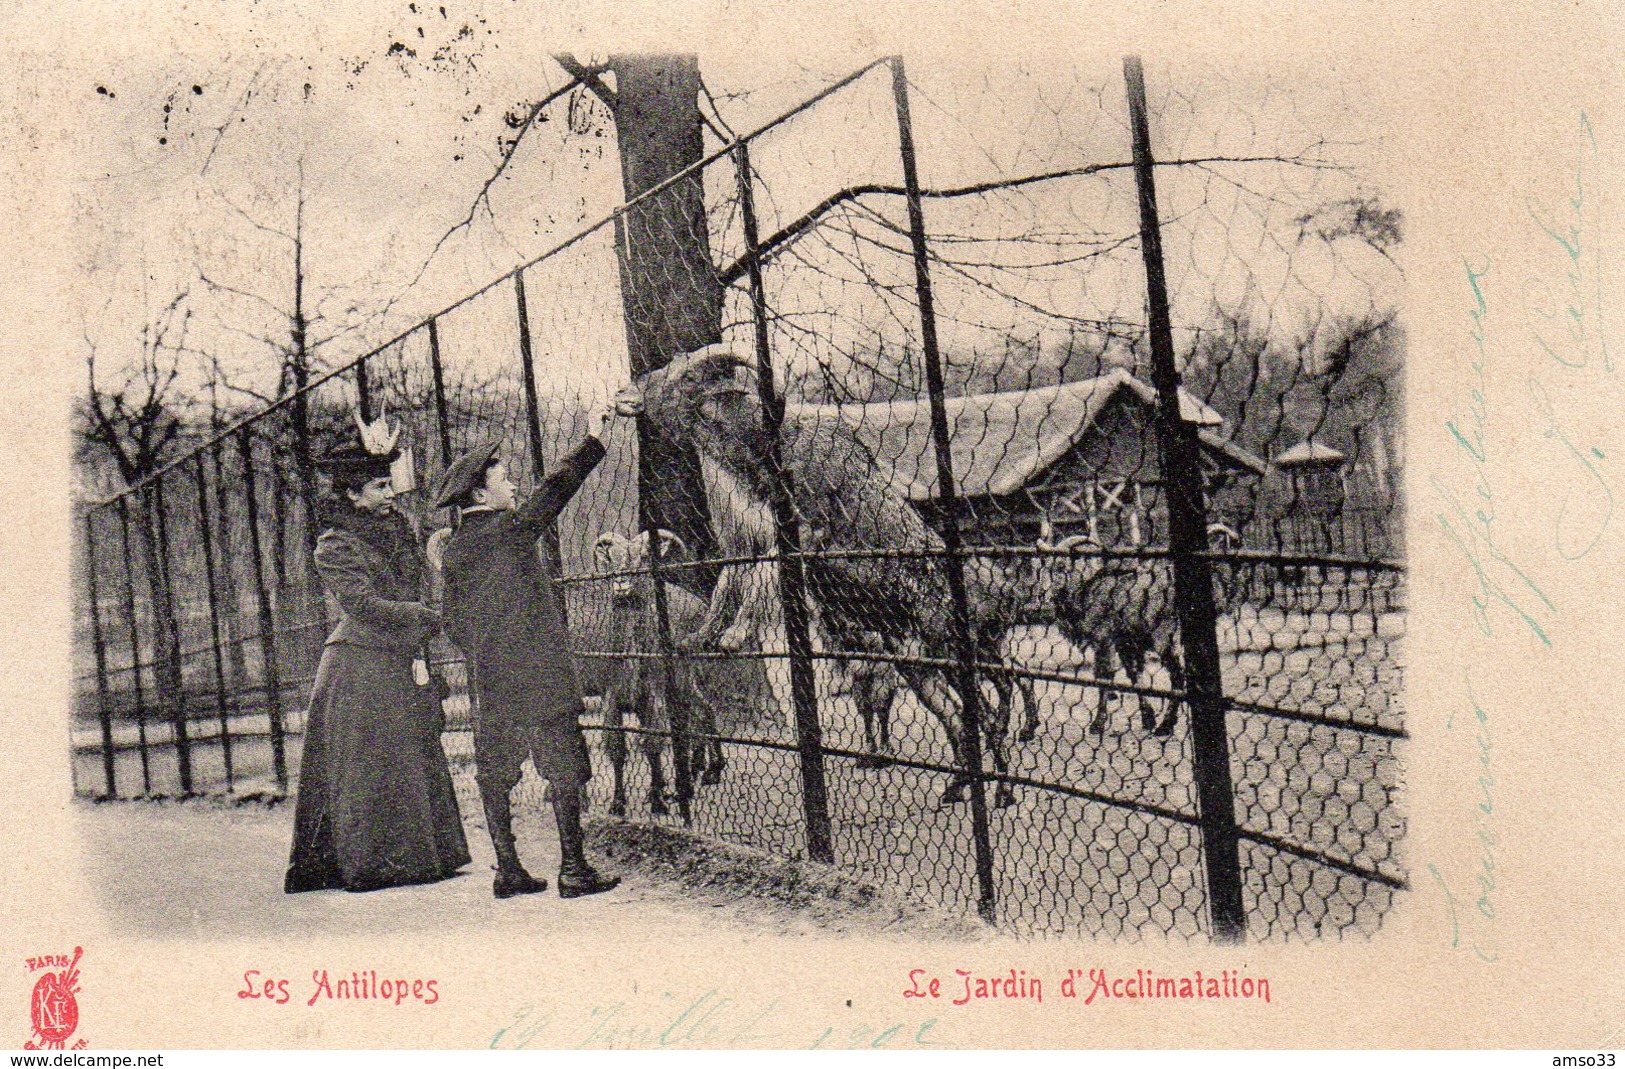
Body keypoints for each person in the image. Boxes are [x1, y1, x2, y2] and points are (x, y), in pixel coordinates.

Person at [433, 402, 634, 900]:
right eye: (505, 480)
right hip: (540, 675)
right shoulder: (511, 530)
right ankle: (574, 869)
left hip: (493, 682)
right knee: (565, 766)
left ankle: (509, 870)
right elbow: (557, 487)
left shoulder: (454, 549)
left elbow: (452, 622)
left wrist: (487, 651)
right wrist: (595, 438)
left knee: (495, 773)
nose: (515, 487)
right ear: (480, 492)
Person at [285, 430, 471, 894]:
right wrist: (428, 619)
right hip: (357, 665)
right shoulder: (335, 544)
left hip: (396, 656)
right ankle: (376, 862)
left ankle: (423, 856)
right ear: (352, 493)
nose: (391, 494)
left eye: (390, 485)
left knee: (407, 750)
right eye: (379, 487)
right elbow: (363, 604)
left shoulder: (396, 532)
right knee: (370, 763)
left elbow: (413, 590)